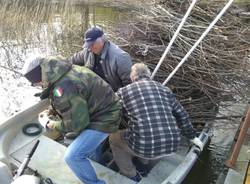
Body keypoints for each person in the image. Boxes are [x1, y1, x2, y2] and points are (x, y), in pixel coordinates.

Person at [22, 56, 122, 184]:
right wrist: (51, 111)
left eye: (34, 84)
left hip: (107, 117)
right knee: (87, 147)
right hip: (102, 109)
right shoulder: (61, 71)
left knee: (72, 157)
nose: (36, 86)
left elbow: (76, 124)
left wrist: (50, 123)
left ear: (39, 79)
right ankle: (97, 162)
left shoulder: (64, 86)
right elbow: (73, 97)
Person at [109, 63, 203, 181]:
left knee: (113, 138)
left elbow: (111, 110)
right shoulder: (165, 89)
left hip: (144, 146)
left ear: (132, 77)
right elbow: (182, 114)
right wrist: (192, 137)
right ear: (149, 75)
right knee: (146, 134)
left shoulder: (123, 91)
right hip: (172, 145)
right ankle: (143, 165)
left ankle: (131, 175)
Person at [67, 26, 132, 91]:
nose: (89, 48)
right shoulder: (87, 51)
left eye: (92, 44)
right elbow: (70, 61)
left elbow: (129, 86)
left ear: (102, 40)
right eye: (88, 45)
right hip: (93, 89)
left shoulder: (120, 57)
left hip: (112, 94)